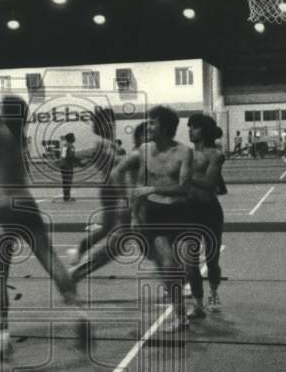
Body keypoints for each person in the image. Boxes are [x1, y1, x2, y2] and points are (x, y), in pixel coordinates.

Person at [0, 54, 87, 360]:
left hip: (2, 210)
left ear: (2, 115)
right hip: (27, 207)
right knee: (52, 261)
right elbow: (2, 112)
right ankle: (78, 312)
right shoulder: (17, 136)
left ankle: (1, 338)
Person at [112, 105, 193, 333]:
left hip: (180, 213)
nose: (148, 126)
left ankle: (191, 297)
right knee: (168, 265)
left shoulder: (184, 152)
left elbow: (184, 188)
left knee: (188, 265)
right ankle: (181, 316)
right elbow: (117, 172)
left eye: (153, 123)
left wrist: (150, 189)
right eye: (148, 122)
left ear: (166, 128)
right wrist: (128, 203)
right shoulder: (145, 150)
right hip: (156, 215)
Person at [186, 114, 225, 316]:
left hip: (210, 211)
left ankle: (214, 292)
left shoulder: (214, 155)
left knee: (212, 260)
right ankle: (198, 305)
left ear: (205, 131)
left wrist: (184, 177)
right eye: (189, 127)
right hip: (190, 211)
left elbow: (209, 183)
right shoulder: (185, 155)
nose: (190, 130)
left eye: (195, 127)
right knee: (190, 263)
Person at [68, 108, 117, 267]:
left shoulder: (110, 144)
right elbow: (88, 153)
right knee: (118, 229)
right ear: (100, 126)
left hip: (116, 188)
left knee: (108, 229)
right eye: (108, 122)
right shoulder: (101, 144)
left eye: (112, 121)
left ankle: (82, 251)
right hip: (111, 189)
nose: (112, 125)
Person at [59, 133, 77, 201]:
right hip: (68, 166)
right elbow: (71, 156)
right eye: (73, 137)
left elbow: (63, 156)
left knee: (65, 181)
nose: (75, 138)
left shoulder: (64, 145)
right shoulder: (71, 146)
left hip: (63, 165)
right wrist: (79, 162)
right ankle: (67, 197)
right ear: (71, 138)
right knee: (68, 181)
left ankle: (66, 196)